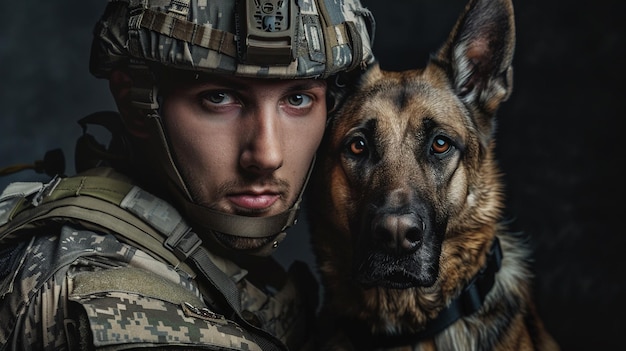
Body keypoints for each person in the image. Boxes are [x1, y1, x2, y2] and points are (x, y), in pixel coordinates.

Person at [0, 0, 375, 350]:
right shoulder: (107, 296)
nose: (267, 155)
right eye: (220, 98)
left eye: (297, 99)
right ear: (135, 102)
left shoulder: (202, 245)